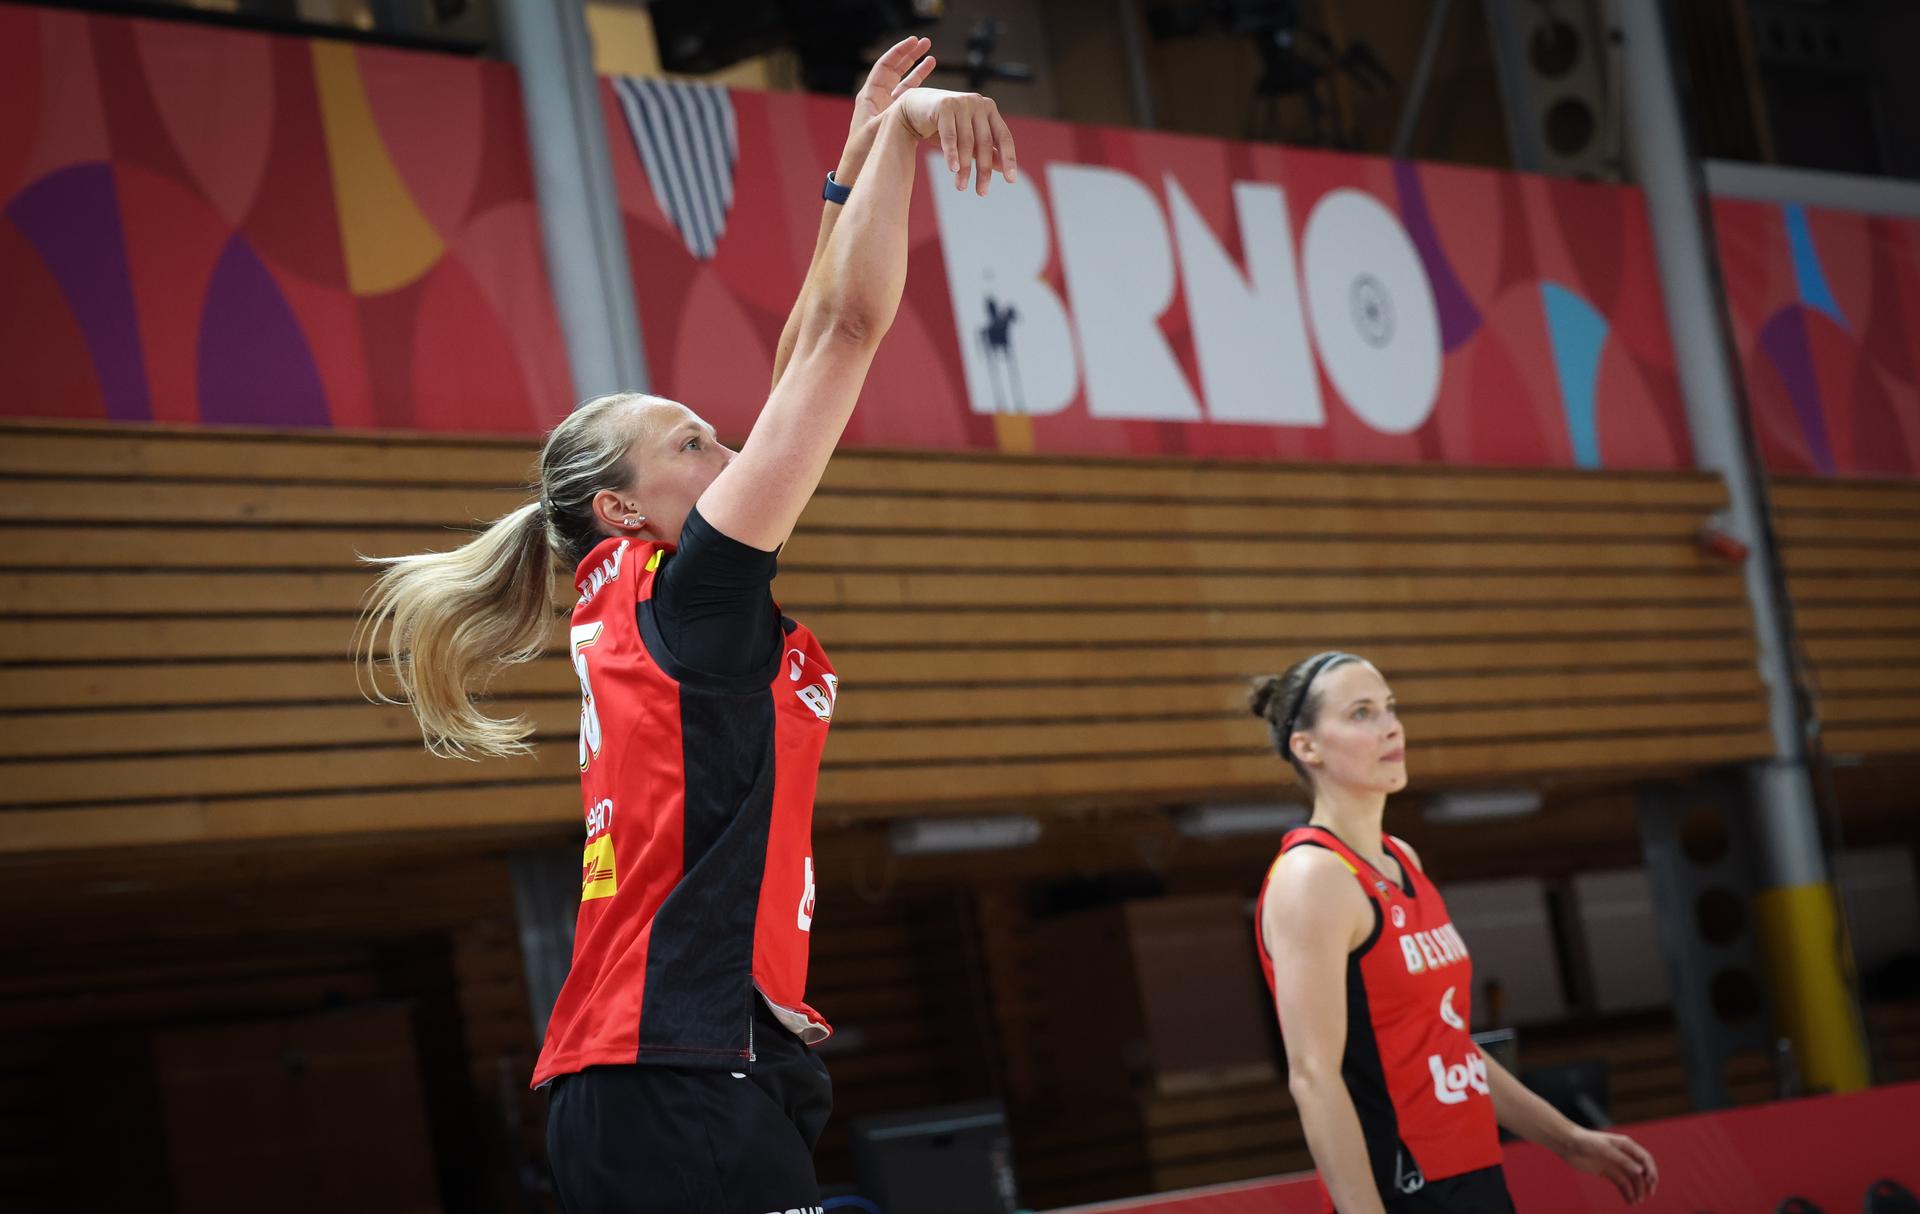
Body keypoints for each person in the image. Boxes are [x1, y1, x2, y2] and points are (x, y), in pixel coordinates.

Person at [356, 38, 1016, 1214]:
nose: (729, 451)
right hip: (676, 1071)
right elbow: (841, 339)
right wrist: (910, 139)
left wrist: (853, 160)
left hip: (656, 1072)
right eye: (690, 442)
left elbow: (807, 342)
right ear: (621, 504)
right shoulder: (693, 598)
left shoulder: (648, 598)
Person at [1250, 651, 1660, 1213]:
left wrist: (1565, 1137)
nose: (1391, 726)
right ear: (1307, 747)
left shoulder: (1403, 860)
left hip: (1472, 1170)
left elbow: (1444, 1042)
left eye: (1390, 709)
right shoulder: (1314, 876)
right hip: (1403, 1185)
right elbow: (1314, 1077)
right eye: (1361, 713)